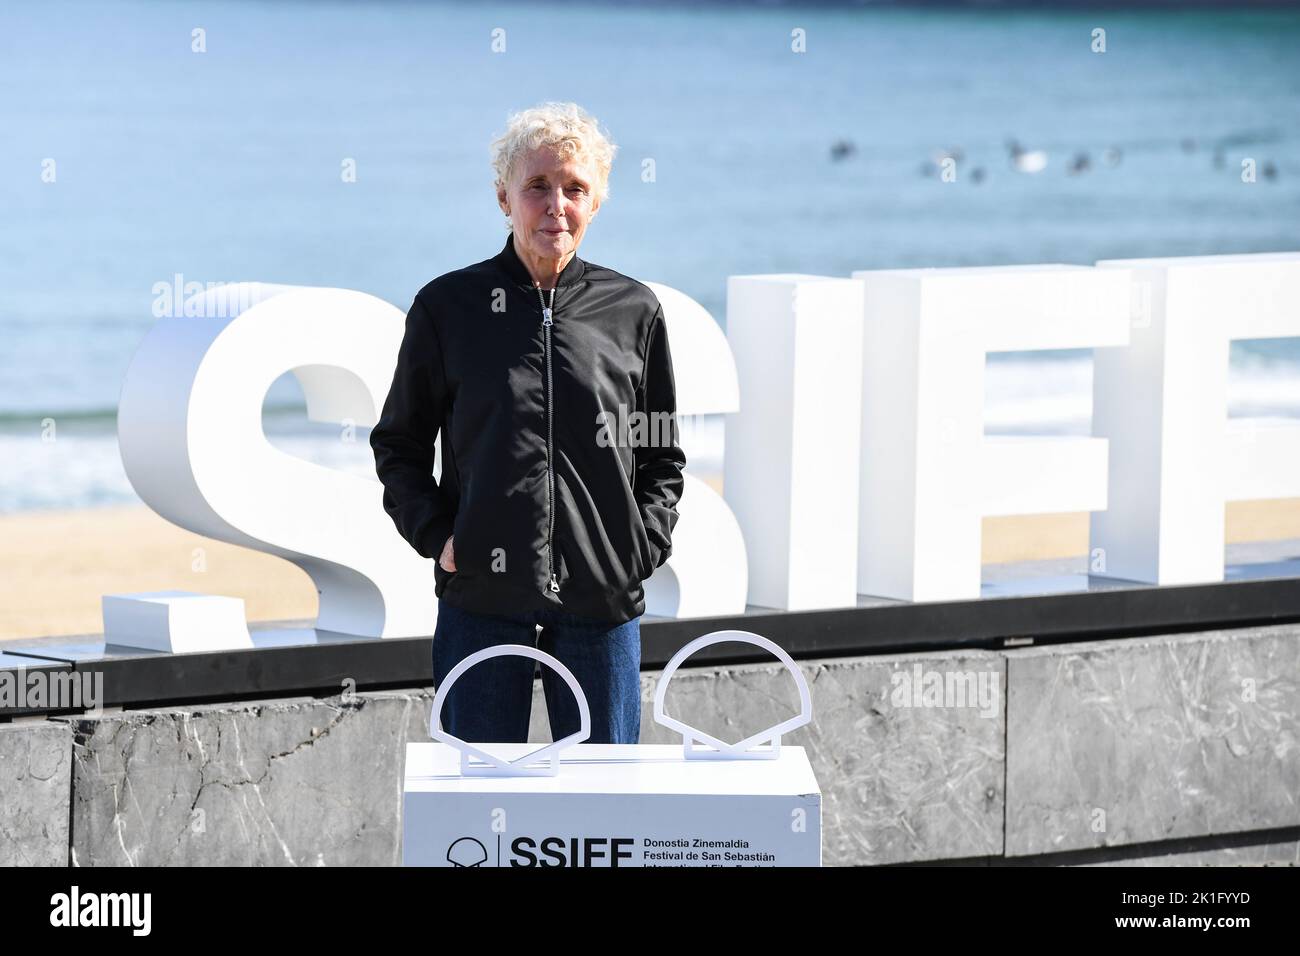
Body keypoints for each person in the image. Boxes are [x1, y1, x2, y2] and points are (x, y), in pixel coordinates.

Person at [369, 101, 686, 746]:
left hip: (602, 605)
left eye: (574, 188)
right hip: (482, 601)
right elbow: (399, 445)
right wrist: (438, 537)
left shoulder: (632, 310)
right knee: (482, 808)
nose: (555, 205)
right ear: (503, 198)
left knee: (604, 810)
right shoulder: (447, 308)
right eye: (536, 187)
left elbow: (661, 455)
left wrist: (638, 548)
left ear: (596, 202)